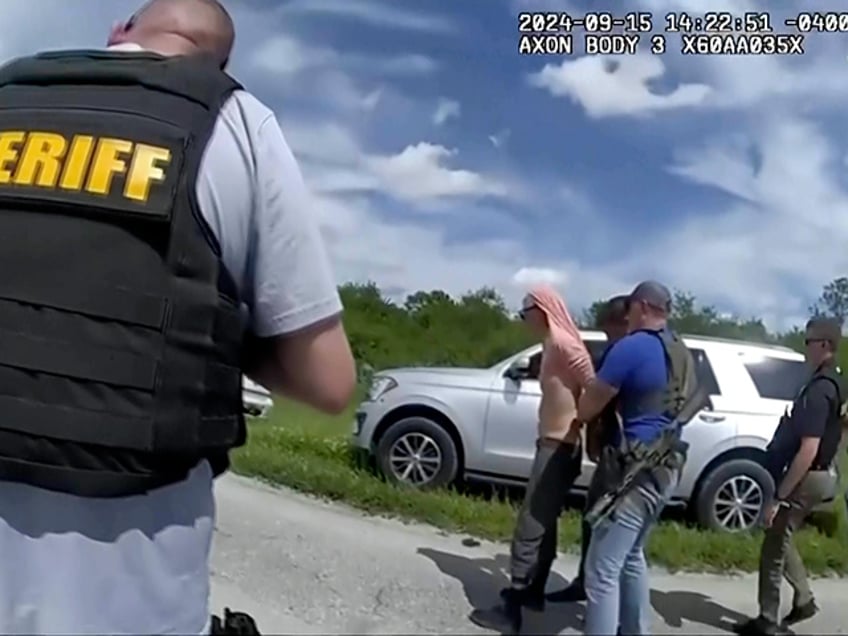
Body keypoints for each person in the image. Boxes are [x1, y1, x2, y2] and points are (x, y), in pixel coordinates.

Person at [0, 0, 357, 633]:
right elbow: (329, 383)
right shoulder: (232, 118)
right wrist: (209, 326)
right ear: (217, 62)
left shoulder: (9, 89)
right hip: (129, 588)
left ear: (118, 34)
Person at [469, 285, 594, 634]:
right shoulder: (553, 344)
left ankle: (513, 606)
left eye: (525, 312)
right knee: (545, 520)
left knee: (530, 524)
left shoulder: (565, 345)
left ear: (541, 310)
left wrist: (578, 422)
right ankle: (534, 592)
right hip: (555, 445)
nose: (523, 319)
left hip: (558, 447)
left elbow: (596, 388)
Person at [575, 281, 697, 636]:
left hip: (636, 472)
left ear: (642, 306)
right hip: (666, 467)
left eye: (629, 308)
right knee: (631, 557)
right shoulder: (679, 350)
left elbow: (587, 408)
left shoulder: (631, 348)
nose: (626, 316)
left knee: (601, 570)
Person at [732, 318, 844, 636]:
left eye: (809, 340)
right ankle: (804, 599)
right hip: (824, 473)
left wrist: (780, 496)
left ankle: (769, 620)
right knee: (783, 534)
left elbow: (808, 447)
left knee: (773, 543)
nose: (805, 345)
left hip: (808, 474)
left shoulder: (820, 388)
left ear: (824, 345)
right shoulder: (838, 382)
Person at [546, 294, 630, 604]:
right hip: (615, 447)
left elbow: (602, 399)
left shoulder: (624, 353)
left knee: (603, 521)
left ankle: (599, 589)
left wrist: (584, 417)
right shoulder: (629, 351)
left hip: (620, 452)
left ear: (624, 321)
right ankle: (592, 583)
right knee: (600, 520)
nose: (607, 333)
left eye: (609, 326)